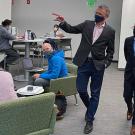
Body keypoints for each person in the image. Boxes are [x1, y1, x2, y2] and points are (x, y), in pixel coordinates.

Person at [52, 4, 115, 134]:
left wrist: (106, 63)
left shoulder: (110, 31)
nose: (97, 15)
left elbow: (110, 50)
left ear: (106, 16)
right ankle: (90, 109)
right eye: (96, 12)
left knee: (95, 93)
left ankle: (89, 119)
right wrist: (63, 22)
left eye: (100, 14)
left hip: (98, 65)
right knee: (81, 90)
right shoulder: (87, 24)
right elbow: (72, 29)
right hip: (83, 62)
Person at [123, 25, 135, 135]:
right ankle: (130, 109)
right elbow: (126, 55)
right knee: (126, 95)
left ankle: (134, 125)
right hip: (129, 73)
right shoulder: (128, 40)